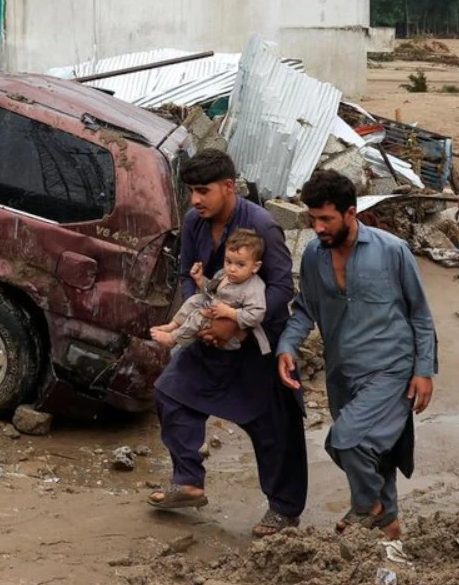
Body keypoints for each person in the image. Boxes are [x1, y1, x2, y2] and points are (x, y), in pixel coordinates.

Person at [147, 150, 307, 538]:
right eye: (190, 191)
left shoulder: (262, 226)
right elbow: (188, 276)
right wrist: (203, 318)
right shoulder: (193, 222)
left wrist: (234, 326)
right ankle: (188, 482)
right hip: (208, 334)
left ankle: (284, 510)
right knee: (170, 392)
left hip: (257, 342)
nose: (195, 200)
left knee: (273, 426)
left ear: (229, 186)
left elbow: (282, 288)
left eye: (203, 191)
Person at [276, 169, 436, 541]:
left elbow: (420, 313)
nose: (317, 228)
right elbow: (305, 309)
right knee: (376, 450)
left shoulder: (392, 250)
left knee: (346, 440)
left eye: (326, 219)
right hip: (342, 373)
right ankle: (389, 526)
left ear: (351, 213)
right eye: (313, 219)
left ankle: (367, 506)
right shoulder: (314, 256)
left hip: (392, 369)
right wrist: (287, 346)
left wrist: (424, 370)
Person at [150, 228, 270, 354]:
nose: (232, 269)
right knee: (195, 300)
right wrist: (200, 280)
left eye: (240, 265)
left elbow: (255, 315)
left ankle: (173, 339)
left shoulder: (253, 288)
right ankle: (173, 325)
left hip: (231, 333)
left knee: (199, 316)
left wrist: (230, 313)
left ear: (255, 266)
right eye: (228, 262)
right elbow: (211, 292)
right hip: (214, 311)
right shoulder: (224, 275)